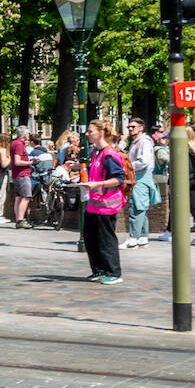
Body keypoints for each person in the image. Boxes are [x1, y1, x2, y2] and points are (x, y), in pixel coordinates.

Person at [78, 120, 128, 284]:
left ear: (100, 133)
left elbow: (118, 178)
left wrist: (97, 184)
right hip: (94, 203)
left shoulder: (110, 154)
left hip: (106, 204)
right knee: (91, 238)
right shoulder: (97, 152)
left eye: (90, 131)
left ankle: (113, 272)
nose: (87, 134)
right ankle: (98, 269)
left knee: (106, 239)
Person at [123, 117, 158, 247]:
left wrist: (128, 166)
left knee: (136, 207)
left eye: (133, 127)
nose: (130, 129)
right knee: (141, 207)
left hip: (140, 177)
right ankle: (143, 237)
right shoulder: (136, 141)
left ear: (141, 128)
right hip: (138, 176)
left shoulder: (144, 142)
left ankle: (134, 237)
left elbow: (144, 161)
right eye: (129, 127)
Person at [7, 126, 35, 228]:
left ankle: (18, 219)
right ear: (25, 134)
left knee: (18, 197)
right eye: (28, 133)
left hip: (16, 174)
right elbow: (17, 161)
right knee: (26, 196)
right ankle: (20, 220)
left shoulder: (14, 143)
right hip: (22, 174)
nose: (29, 135)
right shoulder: (19, 144)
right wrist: (31, 162)